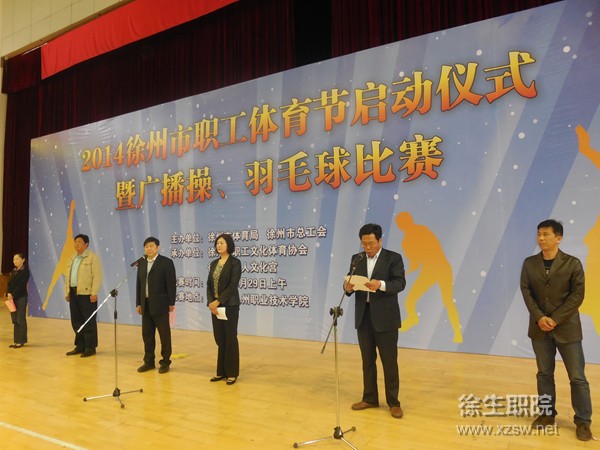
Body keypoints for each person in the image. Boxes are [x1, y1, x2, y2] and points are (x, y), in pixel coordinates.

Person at [520, 219, 593, 441]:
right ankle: (546, 415)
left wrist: (555, 319)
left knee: (577, 377)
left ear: (558, 238)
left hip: (567, 329)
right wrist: (540, 317)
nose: (541, 238)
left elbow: (577, 296)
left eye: (546, 234)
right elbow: (526, 291)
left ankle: (583, 421)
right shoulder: (529, 263)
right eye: (538, 234)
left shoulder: (572, 264)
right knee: (544, 374)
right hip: (539, 329)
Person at [343, 223, 406, 419]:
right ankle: (370, 398)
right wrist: (348, 287)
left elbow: (400, 283)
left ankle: (393, 402)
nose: (367, 247)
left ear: (380, 240)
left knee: (389, 361)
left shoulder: (393, 258)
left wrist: (381, 285)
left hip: (386, 318)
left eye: (371, 243)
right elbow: (350, 284)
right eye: (364, 243)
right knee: (367, 360)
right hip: (364, 316)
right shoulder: (357, 259)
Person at [136, 237, 176, 374]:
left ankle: (165, 362)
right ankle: (149, 362)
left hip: (161, 304)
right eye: (146, 246)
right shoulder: (141, 263)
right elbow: (139, 285)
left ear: (158, 247)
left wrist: (171, 303)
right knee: (147, 335)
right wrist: (138, 303)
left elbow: (171, 284)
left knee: (164, 335)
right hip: (145, 304)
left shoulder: (166, 262)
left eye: (151, 246)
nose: (149, 249)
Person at [207, 233, 242, 385]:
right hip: (215, 307)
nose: (219, 245)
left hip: (230, 305)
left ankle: (232, 373)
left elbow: (233, 285)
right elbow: (209, 285)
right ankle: (221, 372)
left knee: (230, 338)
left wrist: (218, 301)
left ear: (229, 245)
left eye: (222, 243)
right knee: (220, 338)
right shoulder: (214, 263)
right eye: (217, 243)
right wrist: (211, 302)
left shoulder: (235, 263)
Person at [64, 234, 103, 357]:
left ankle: (90, 347)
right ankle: (80, 345)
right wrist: (67, 292)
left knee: (88, 321)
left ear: (86, 244)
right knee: (76, 321)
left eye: (79, 242)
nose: (76, 244)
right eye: (75, 242)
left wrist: (94, 292)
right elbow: (68, 276)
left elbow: (97, 276)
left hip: (87, 294)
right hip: (74, 293)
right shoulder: (72, 258)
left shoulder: (92, 258)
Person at [7, 253, 30, 348]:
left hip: (21, 297)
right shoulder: (13, 271)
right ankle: (16, 340)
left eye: (17, 259)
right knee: (15, 319)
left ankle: (21, 340)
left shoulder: (25, 271)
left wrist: (13, 294)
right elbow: (9, 284)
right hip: (12, 298)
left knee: (20, 319)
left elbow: (21, 285)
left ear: (23, 260)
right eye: (14, 259)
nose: (15, 261)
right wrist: (8, 293)